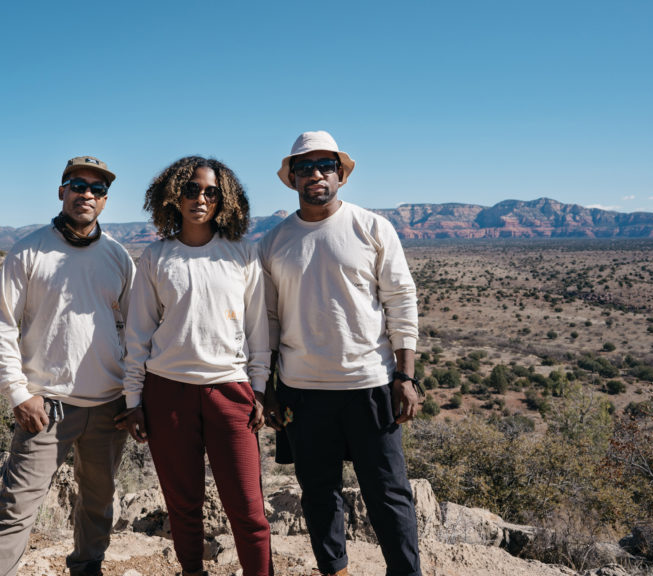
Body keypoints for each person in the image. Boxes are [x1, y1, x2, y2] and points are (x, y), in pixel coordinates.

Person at [259, 131, 422, 576]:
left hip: (370, 383)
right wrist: (267, 390)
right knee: (317, 491)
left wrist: (405, 377)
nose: (315, 174)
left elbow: (401, 302)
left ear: (340, 174)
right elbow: (267, 322)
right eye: (304, 167)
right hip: (301, 390)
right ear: (292, 178)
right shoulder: (272, 242)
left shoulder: (372, 227)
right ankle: (335, 570)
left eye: (325, 165)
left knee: (389, 492)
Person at [0, 155, 135, 576]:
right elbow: (2, 324)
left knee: (99, 503)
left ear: (105, 200)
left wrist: (134, 396)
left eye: (97, 189)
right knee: (16, 508)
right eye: (78, 185)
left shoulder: (118, 257)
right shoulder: (29, 250)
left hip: (109, 406)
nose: (87, 194)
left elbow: (135, 331)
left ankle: (87, 568)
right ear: (62, 191)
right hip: (45, 407)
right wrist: (18, 394)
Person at [114, 156, 274, 576]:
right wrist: (134, 401)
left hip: (231, 392)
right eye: (191, 189)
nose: (200, 199)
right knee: (183, 507)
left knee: (249, 510)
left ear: (225, 200)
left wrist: (259, 390)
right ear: (174, 195)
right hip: (167, 393)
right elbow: (138, 336)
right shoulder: (156, 257)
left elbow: (258, 331)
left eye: (211, 192)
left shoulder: (243, 254)